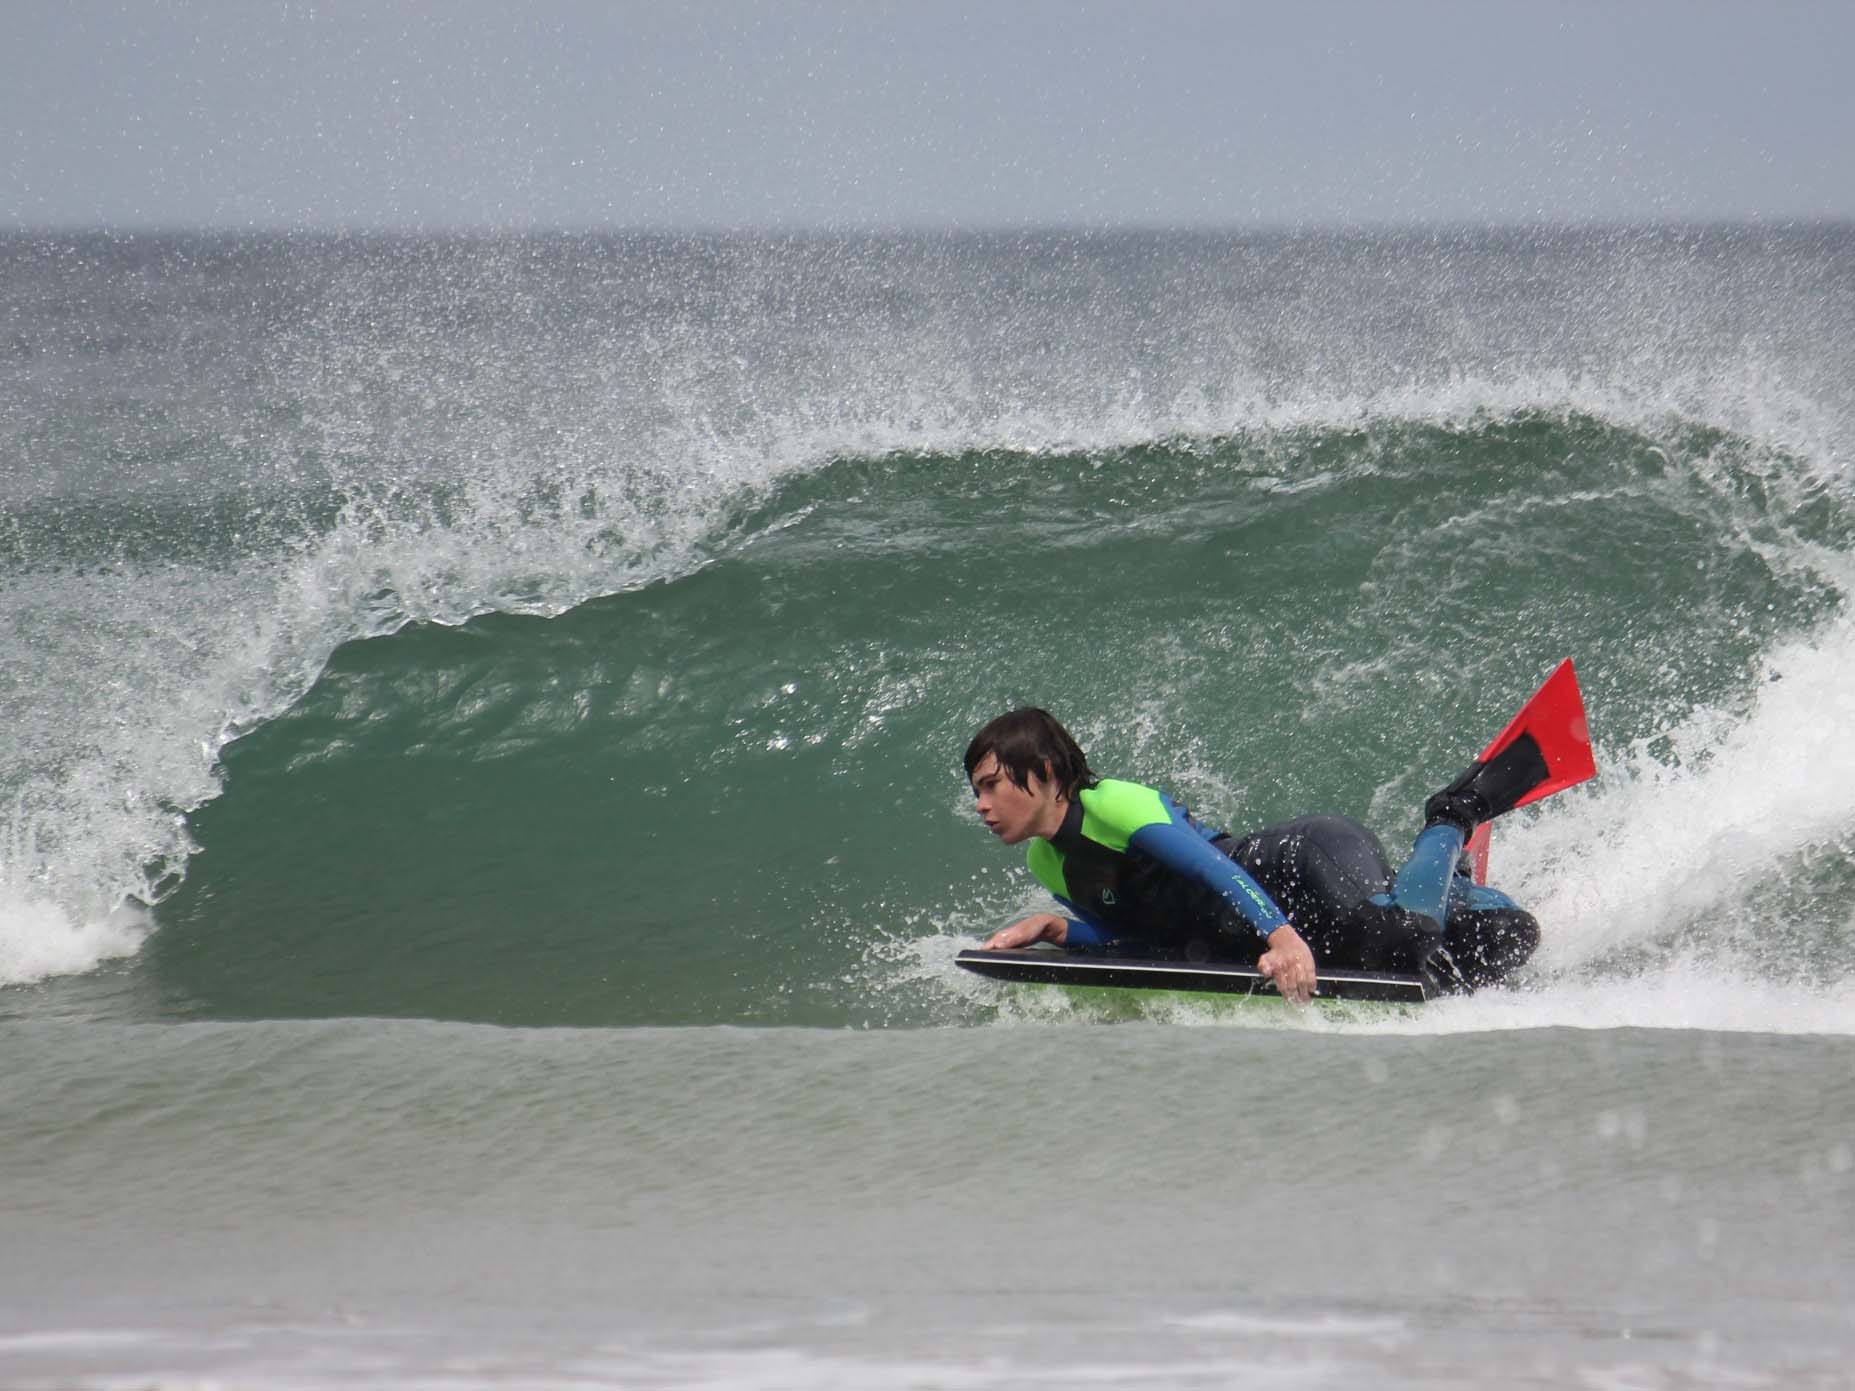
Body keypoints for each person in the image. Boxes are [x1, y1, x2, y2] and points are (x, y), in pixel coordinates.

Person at [964, 707, 1541, 1001]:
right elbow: (1139, 939)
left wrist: (1281, 937)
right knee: (1497, 943)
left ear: (1043, 773)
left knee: (1409, 941)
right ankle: (1452, 890)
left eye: (991, 785)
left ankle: (1451, 817)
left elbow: (1213, 869)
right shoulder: (1047, 862)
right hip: (1277, 928)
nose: (982, 805)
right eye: (977, 791)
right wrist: (1058, 930)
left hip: (1300, 866)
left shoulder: (1114, 804)